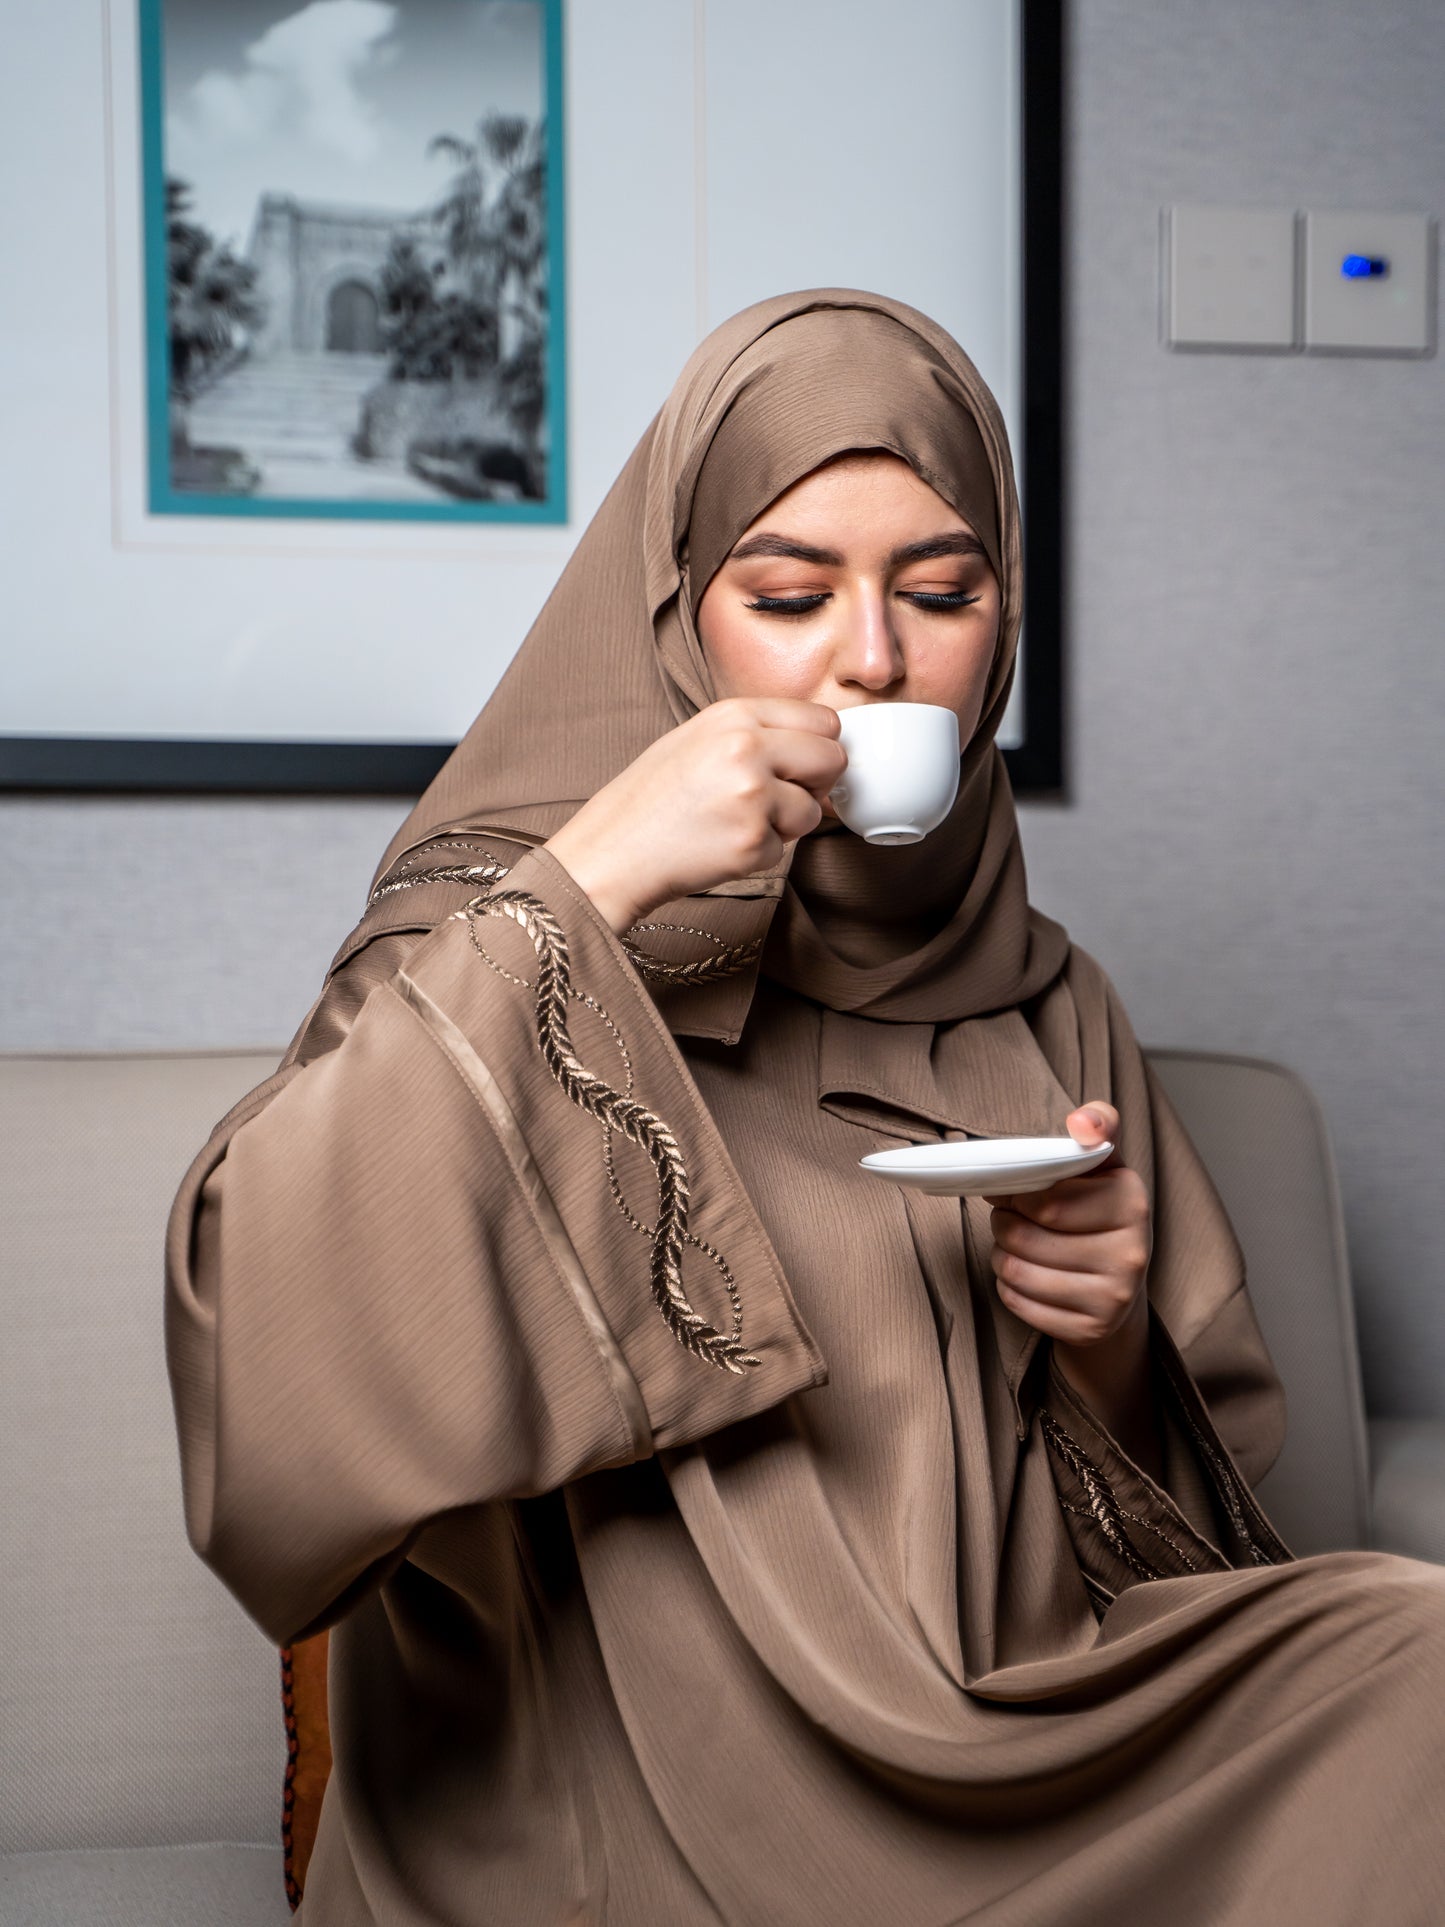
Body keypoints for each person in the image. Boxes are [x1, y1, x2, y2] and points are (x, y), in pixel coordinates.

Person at [164, 289, 1445, 1925]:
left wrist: (1107, 1341)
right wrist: (599, 874)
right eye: (786, 595)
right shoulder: (487, 934)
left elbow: (1200, 1552)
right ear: (677, 619)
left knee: (1409, 1667)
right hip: (622, 1805)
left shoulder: (1044, 997)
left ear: (1003, 622)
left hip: (1033, 1762)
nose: (874, 658)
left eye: (942, 590)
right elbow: (264, 1402)